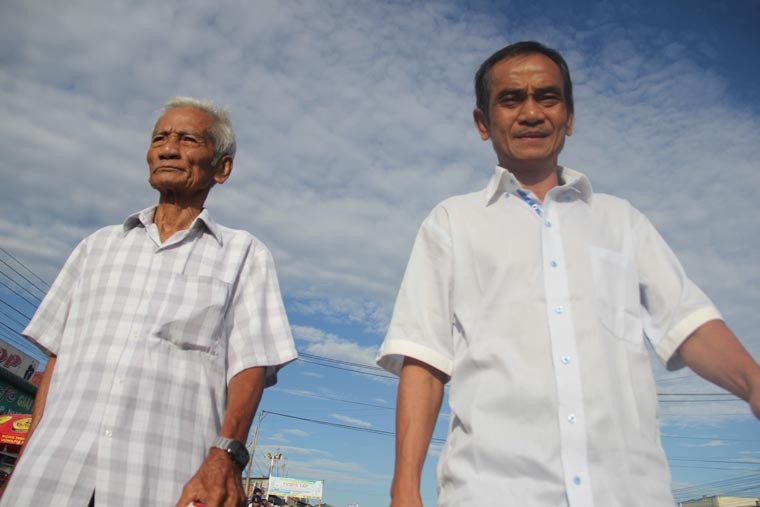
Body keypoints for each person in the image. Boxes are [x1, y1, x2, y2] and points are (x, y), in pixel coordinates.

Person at [377, 41, 760, 507]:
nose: (531, 112)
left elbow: (688, 325)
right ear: (483, 122)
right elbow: (424, 359)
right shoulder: (451, 223)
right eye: (511, 99)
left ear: (570, 117)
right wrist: (404, 490)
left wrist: (754, 384)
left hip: (628, 494)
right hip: (492, 493)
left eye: (548, 97)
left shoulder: (622, 222)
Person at [0, 97, 298, 507]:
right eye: (160, 137)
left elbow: (252, 365)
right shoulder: (97, 247)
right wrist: (21, 467)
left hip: (164, 482)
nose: (168, 148)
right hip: (51, 476)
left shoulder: (244, 254)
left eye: (188, 139)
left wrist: (226, 456)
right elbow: (57, 363)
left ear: (222, 167)